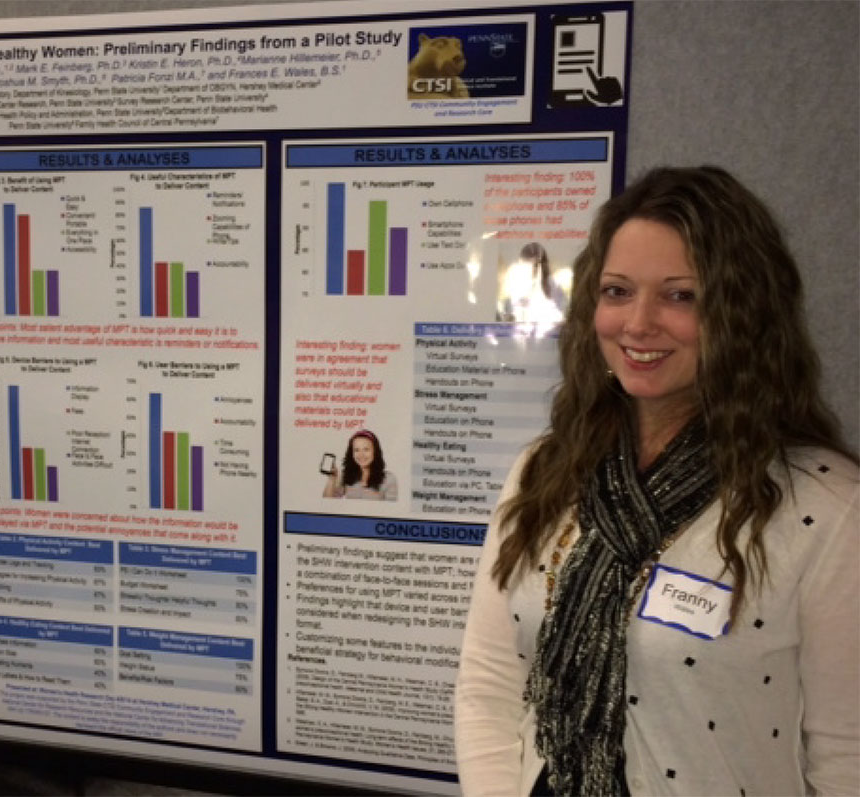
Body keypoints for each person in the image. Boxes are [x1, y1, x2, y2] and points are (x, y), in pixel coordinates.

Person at [454, 166, 858, 796]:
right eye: (617, 291)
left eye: (680, 296)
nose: (638, 324)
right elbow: (490, 684)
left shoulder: (826, 508)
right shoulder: (547, 472)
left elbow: (846, 755)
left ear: (741, 313)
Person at [497, 242, 565, 324]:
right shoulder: (516, 286)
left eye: (536, 265)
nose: (532, 269)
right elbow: (507, 313)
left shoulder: (554, 286)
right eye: (528, 264)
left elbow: (562, 314)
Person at [323, 429, 398, 500]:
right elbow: (328, 503)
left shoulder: (389, 479)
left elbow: (392, 511)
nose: (361, 454)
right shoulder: (346, 475)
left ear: (375, 452)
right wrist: (331, 479)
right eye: (356, 450)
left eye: (366, 449)